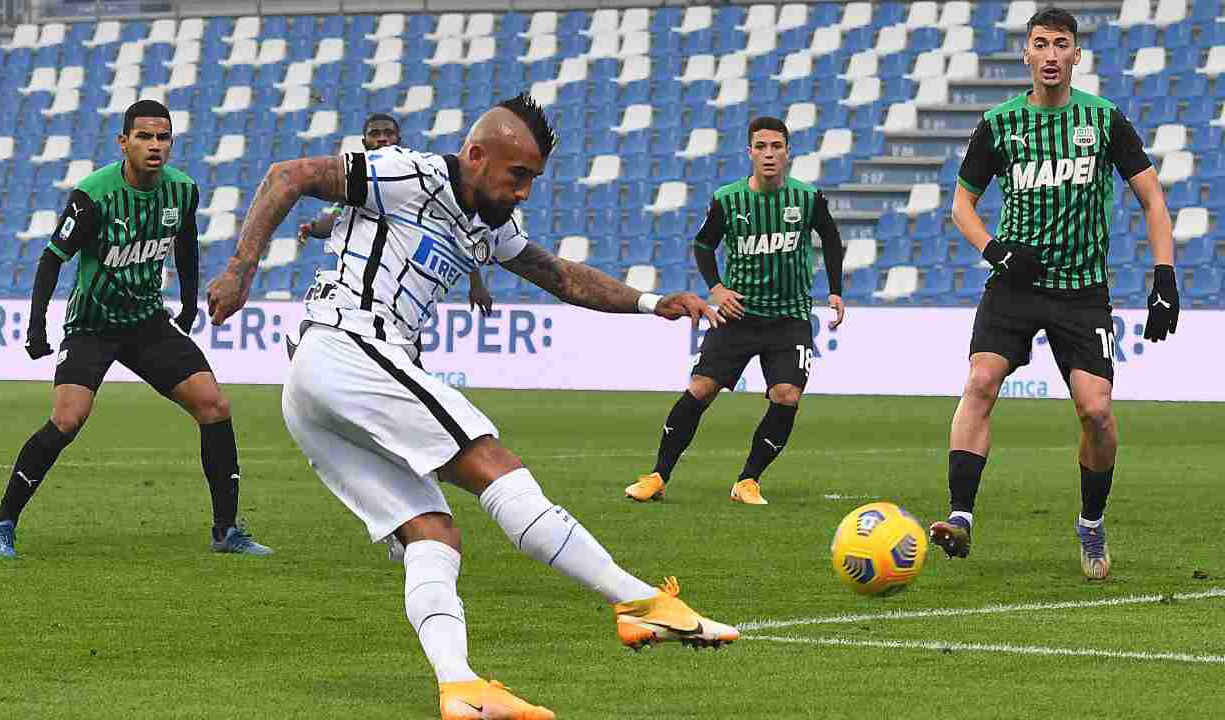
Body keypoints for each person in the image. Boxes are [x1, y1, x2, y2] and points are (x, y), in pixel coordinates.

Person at [206, 93, 737, 719]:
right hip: (350, 346)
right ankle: (637, 600)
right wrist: (241, 270)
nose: (524, 193)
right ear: (478, 155)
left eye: (534, 179)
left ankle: (460, 688)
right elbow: (287, 175)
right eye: (519, 176)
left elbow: (561, 276)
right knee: (492, 463)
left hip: (317, 388)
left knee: (433, 533)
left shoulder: (489, 222)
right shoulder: (408, 174)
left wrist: (652, 303)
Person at [927, 7, 1179, 580]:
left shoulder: (1103, 120)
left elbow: (1152, 200)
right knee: (980, 380)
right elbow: (961, 205)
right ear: (1026, 54)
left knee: (1097, 412)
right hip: (1014, 283)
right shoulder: (1000, 124)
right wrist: (996, 252)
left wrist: (1163, 276)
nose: (1049, 54)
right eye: (1039, 43)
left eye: (1060, 44)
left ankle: (1091, 522)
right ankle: (960, 515)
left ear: (1075, 56)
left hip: (1081, 292)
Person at [0, 100, 272, 558]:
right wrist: (37, 328)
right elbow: (51, 258)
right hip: (92, 326)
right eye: (144, 137)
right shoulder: (94, 195)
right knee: (67, 419)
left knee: (214, 406)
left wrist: (190, 303)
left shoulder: (183, 190)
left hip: (146, 324)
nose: (154, 146)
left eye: (163, 138)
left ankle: (226, 532)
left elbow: (186, 247)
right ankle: (3, 522)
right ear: (124, 142)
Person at [626, 116, 846, 506]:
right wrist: (717, 289)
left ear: (787, 152)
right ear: (749, 152)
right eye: (761, 146)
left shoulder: (807, 198)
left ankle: (748, 480)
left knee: (787, 395)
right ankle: (658, 475)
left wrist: (835, 291)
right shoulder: (728, 199)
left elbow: (830, 239)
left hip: (789, 317)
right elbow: (704, 245)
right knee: (701, 389)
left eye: (776, 146)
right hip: (737, 314)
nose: (769, 154)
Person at [297, 112, 493, 316]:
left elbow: (457, 230)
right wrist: (312, 228)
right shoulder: (359, 183)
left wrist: (476, 283)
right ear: (364, 142)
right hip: (362, 296)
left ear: (399, 139)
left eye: (388, 133)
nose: (382, 138)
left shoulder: (417, 179)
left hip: (403, 295)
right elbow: (335, 218)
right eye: (375, 133)